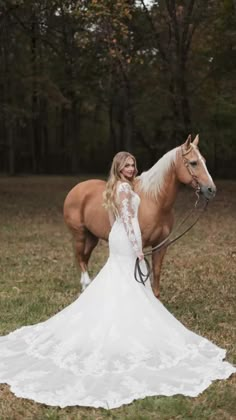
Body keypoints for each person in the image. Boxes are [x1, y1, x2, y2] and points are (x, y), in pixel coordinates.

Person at [0, 151, 235, 410]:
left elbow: (117, 220)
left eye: (133, 164)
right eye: (127, 165)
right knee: (125, 276)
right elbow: (125, 219)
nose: (132, 169)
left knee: (123, 280)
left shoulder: (123, 187)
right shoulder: (123, 189)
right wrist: (136, 248)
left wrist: (124, 238)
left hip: (122, 236)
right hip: (127, 239)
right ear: (118, 168)